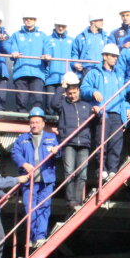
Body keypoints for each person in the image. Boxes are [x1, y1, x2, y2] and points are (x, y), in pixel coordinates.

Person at [11, 107, 59, 249]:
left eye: (37, 122)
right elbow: (15, 153)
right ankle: (32, 236)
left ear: (43, 123)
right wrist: (24, 164)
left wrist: (57, 151)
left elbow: (59, 153)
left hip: (46, 180)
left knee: (44, 207)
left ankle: (40, 236)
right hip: (29, 181)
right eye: (32, 122)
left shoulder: (51, 137)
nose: (34, 125)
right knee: (29, 209)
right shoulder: (22, 139)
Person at [80, 43, 129, 180]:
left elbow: (122, 95)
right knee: (102, 143)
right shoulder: (94, 72)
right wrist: (93, 91)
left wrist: (127, 106)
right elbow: (84, 88)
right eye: (113, 56)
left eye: (116, 56)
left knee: (116, 143)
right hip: (103, 113)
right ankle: (102, 169)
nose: (115, 58)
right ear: (104, 56)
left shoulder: (119, 74)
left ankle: (112, 170)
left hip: (117, 113)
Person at [50, 72, 91, 209]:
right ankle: (71, 201)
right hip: (68, 142)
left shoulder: (86, 105)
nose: (72, 95)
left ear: (78, 90)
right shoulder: (63, 104)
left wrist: (97, 111)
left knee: (82, 174)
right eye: (69, 93)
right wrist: (62, 87)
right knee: (69, 172)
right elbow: (53, 103)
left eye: (74, 92)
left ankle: (78, 201)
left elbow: (97, 119)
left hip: (84, 143)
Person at [8, 13, 48, 111]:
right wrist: (14, 52)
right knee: (21, 101)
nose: (28, 20)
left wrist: (47, 55)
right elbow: (12, 48)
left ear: (35, 20)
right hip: (21, 72)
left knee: (37, 100)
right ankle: (22, 119)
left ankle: (36, 118)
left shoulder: (42, 35)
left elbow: (47, 50)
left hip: (37, 72)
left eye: (31, 18)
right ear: (23, 20)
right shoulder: (16, 35)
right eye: (26, 18)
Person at [44, 19, 72, 100]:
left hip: (67, 79)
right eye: (59, 26)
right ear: (55, 25)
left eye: (63, 26)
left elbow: (75, 57)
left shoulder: (71, 40)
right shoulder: (47, 39)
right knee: (50, 104)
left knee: (65, 105)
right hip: (51, 78)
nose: (60, 28)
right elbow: (45, 54)